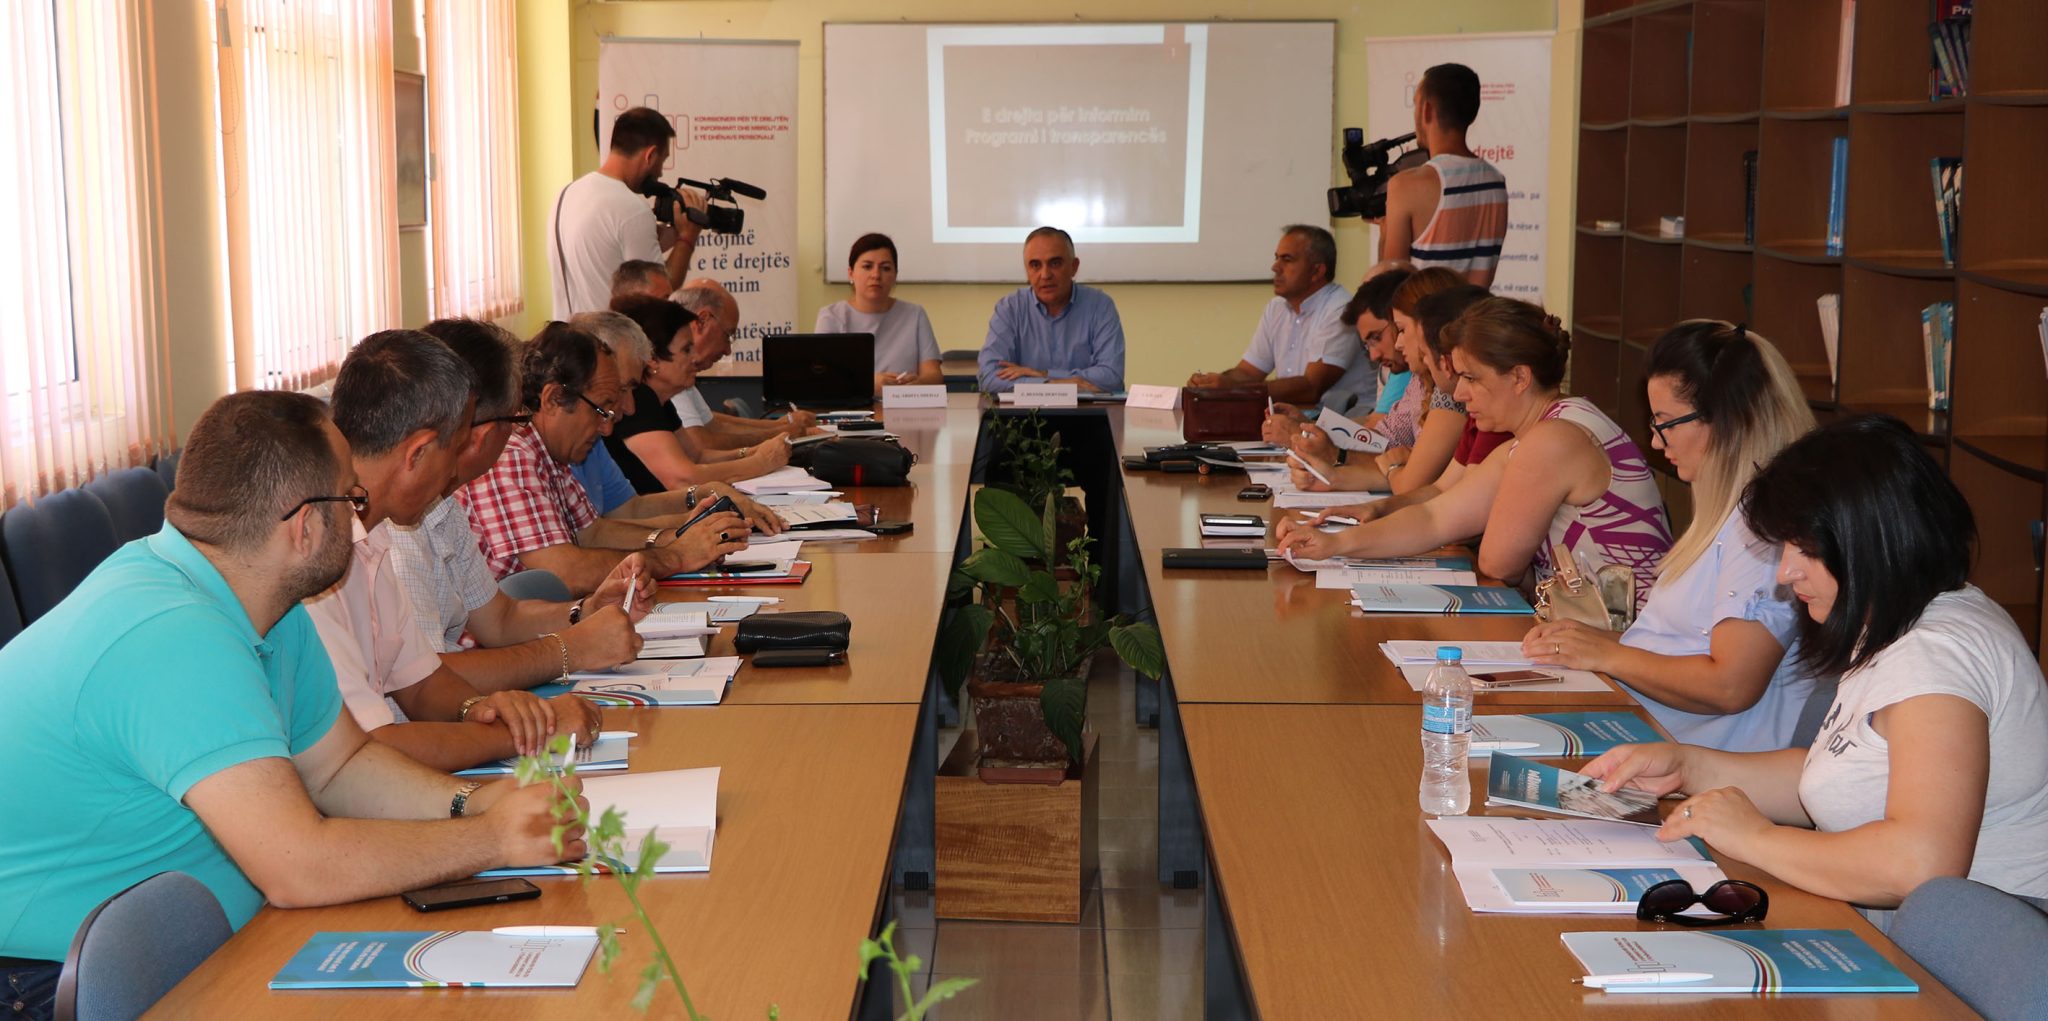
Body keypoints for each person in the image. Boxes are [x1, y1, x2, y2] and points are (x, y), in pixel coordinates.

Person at [0, 392, 583, 1019]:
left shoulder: (263, 602)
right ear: (305, 527)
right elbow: (298, 866)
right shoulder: (174, 634)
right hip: (54, 983)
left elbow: (338, 768)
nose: (361, 518)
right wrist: (491, 840)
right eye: (352, 500)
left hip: (200, 944)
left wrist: (472, 803)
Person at [1585, 415, 2048, 925]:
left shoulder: (1935, 654)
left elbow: (1919, 864)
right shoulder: (1898, 617)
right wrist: (1688, 767)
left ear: (1870, 539)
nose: (1785, 573)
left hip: (1975, 945)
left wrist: (1756, 838)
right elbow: (1841, 774)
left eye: (1805, 548)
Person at [310, 330, 603, 772]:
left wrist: (479, 710)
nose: (454, 474)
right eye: (455, 448)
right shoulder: (321, 560)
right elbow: (368, 749)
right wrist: (527, 731)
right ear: (418, 453)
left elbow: (421, 682)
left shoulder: (373, 533)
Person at [1523, 322, 1819, 752]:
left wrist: (1607, 654)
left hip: (1708, 760)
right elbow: (1676, 648)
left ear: (1726, 420)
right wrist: (1585, 641)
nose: (1656, 442)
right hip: (1658, 736)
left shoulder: (1763, 530)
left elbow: (1730, 685)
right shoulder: (1728, 514)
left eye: (1665, 423)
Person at [1277, 297, 1672, 607]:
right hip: (1595, 634)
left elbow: (1497, 562)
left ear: (1519, 377)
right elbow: (1435, 517)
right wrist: (1334, 545)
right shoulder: (1545, 430)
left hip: (1624, 645)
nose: (1461, 393)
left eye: (1471, 377)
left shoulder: (1552, 441)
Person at [388, 318, 658, 694]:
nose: (520, 431)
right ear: (477, 431)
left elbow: (501, 618)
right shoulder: (397, 532)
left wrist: (586, 611)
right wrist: (570, 649)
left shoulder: (443, 506)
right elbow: (429, 684)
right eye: (516, 418)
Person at [457, 322, 749, 591]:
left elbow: (593, 533)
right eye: (601, 410)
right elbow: (565, 572)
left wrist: (681, 535)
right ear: (554, 399)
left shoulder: (550, 451)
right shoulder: (512, 454)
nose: (608, 428)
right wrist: (677, 555)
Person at [563, 310, 786, 533]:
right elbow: (681, 477)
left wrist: (702, 503)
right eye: (623, 388)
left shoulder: (597, 437)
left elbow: (629, 510)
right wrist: (759, 461)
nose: (630, 407)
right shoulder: (568, 443)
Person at [1285, 274, 1492, 495]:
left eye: (1401, 330)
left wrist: (1336, 456)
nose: (1398, 343)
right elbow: (1385, 445)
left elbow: (1412, 483)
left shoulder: (1451, 393)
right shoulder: (1421, 381)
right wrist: (1333, 476)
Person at [609, 295, 790, 490]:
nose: (695, 358)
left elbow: (697, 456)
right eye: (686, 350)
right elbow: (683, 479)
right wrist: (761, 462)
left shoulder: (661, 401)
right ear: (653, 358)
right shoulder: (637, 401)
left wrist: (753, 452)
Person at [1186, 225, 1373, 411]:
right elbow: (1248, 372)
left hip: (1348, 420)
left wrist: (1234, 389)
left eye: (1287, 259)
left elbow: (1311, 387)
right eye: (1277, 258)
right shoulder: (1276, 308)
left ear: (1317, 271)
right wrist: (1214, 383)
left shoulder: (1339, 309)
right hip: (1298, 418)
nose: (1275, 267)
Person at [547, 107, 699, 318]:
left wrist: (666, 236)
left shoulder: (566, 194)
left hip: (566, 334)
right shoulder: (632, 209)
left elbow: (605, 253)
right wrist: (687, 236)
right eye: (662, 160)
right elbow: (661, 295)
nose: (661, 173)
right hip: (610, 337)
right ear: (650, 155)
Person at [1377, 63, 1509, 286]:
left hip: (1424, 310)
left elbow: (1390, 286)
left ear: (1427, 110)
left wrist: (1385, 235)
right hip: (1477, 310)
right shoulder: (1496, 182)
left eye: (1416, 104)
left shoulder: (1405, 186)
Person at [664, 279, 819, 450]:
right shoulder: (670, 372)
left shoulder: (683, 373)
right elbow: (701, 445)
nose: (728, 350)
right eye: (727, 335)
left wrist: (782, 428)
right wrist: (783, 434)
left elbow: (712, 424)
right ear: (702, 321)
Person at [978, 226, 1125, 393]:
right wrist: (1050, 384)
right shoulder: (1010, 309)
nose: (1045, 275)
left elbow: (1112, 377)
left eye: (1055, 263)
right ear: (1027, 271)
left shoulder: (1100, 306)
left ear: (1074, 267)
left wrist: (1043, 374)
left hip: (1085, 409)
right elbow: (988, 377)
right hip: (1026, 409)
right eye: (1035, 265)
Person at [814, 233, 942, 394]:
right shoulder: (831, 316)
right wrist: (867, 383)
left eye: (885, 268)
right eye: (867, 266)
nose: (876, 275)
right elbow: (822, 378)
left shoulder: (915, 315)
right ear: (851, 273)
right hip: (851, 408)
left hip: (903, 406)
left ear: (895, 275)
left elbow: (934, 375)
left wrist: (917, 384)